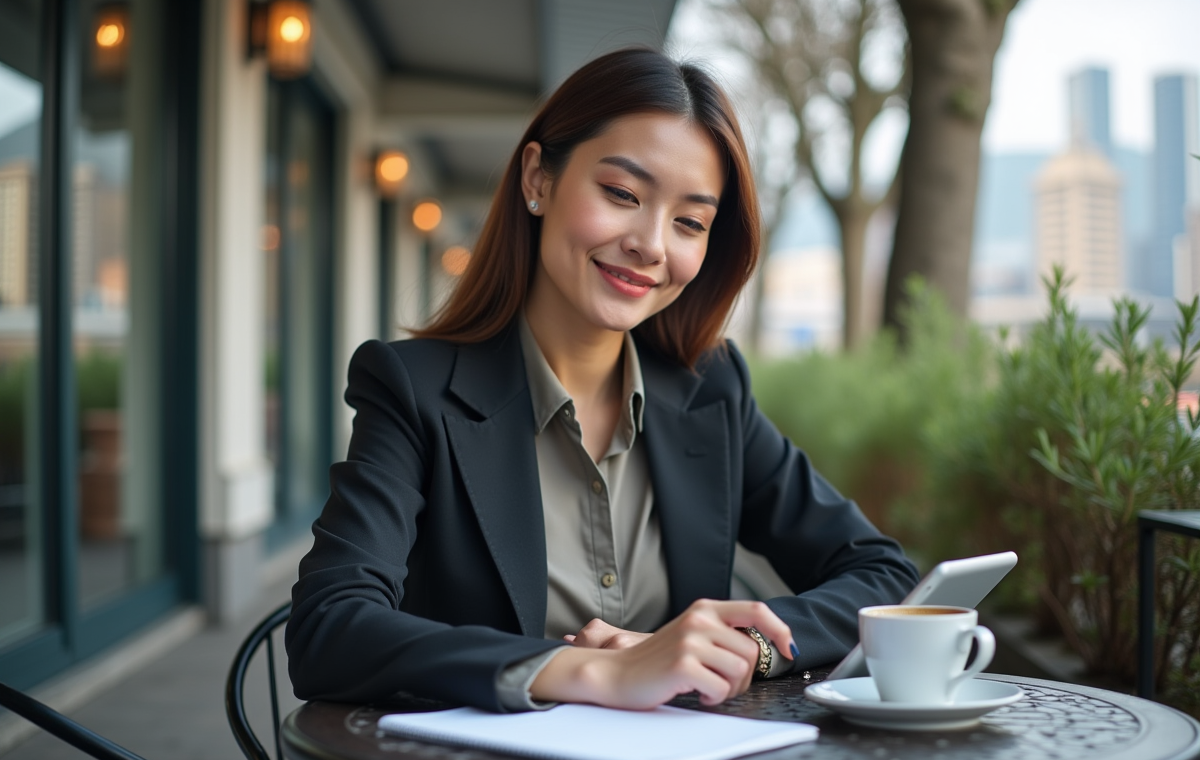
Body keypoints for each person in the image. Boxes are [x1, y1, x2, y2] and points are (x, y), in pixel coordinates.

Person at [285, 47, 918, 714]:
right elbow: (329, 630)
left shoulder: (710, 391)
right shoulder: (413, 390)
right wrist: (589, 671)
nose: (651, 243)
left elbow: (887, 579)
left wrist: (745, 646)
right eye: (621, 194)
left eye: (689, 222)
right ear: (538, 178)